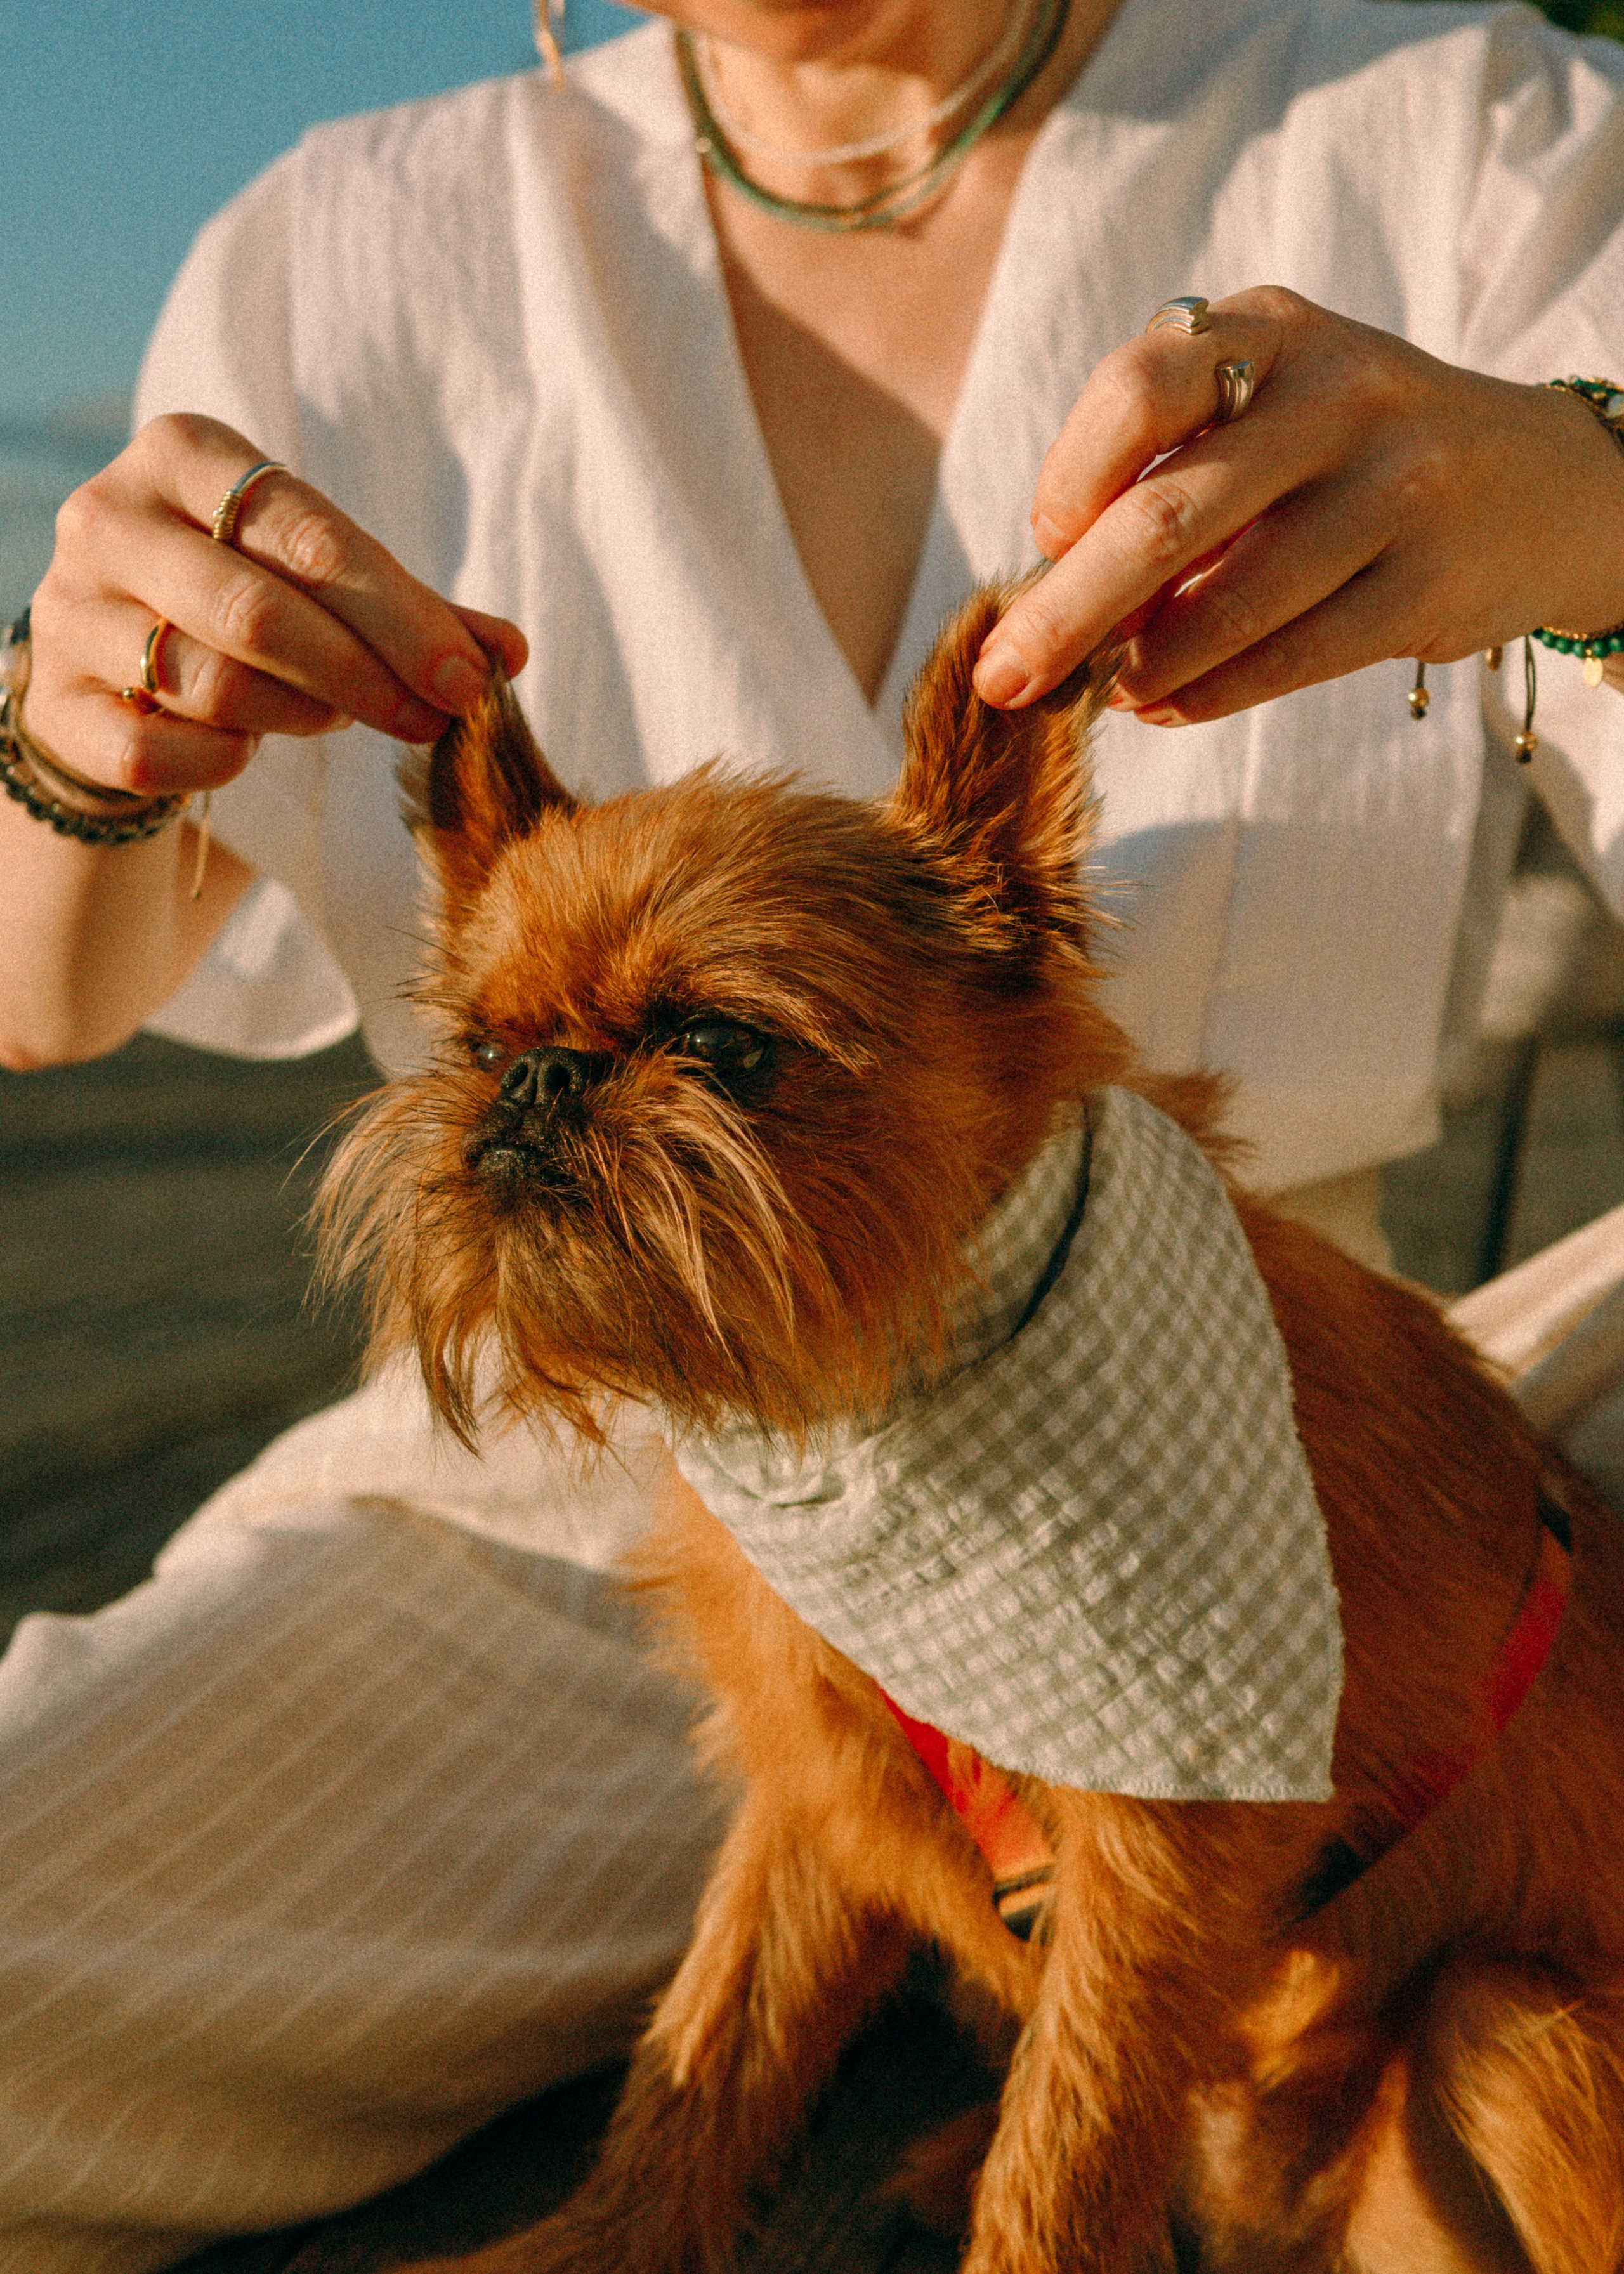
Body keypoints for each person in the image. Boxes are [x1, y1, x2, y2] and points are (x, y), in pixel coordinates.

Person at [1, 0, 1622, 2264]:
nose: (553, 1098)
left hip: (1280, 1401)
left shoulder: (1445, 116)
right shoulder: (338, 241)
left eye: (722, 1057)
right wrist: (74, 736)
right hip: (566, 1501)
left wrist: (1593, 514)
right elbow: (40, 989)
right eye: (519, 1065)